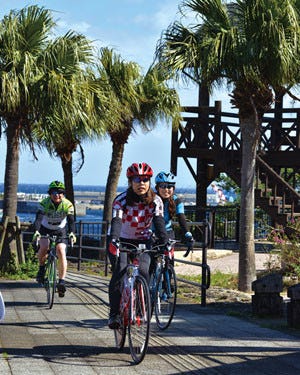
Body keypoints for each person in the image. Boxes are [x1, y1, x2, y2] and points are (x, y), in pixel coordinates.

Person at [107, 162, 169, 329]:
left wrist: (165, 242)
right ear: (130, 182)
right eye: (136, 179)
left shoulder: (156, 201)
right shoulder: (121, 200)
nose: (141, 183)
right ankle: (114, 314)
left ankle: (141, 309)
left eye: (145, 179)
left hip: (143, 239)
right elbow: (117, 221)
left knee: (143, 271)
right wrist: (114, 240)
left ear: (149, 182)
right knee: (120, 272)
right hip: (121, 238)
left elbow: (159, 221)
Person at [32, 180, 76, 297]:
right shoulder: (44, 203)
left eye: (60, 192)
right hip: (45, 229)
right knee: (44, 247)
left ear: (63, 194)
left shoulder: (68, 204)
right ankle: (41, 269)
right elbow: (38, 219)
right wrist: (36, 231)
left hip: (60, 230)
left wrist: (72, 233)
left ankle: (61, 282)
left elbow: (71, 221)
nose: (57, 194)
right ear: (50, 194)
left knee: (61, 251)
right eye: (54, 192)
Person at [154, 171, 194, 260]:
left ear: (173, 188)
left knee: (169, 260)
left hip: (168, 232)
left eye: (169, 186)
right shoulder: (152, 199)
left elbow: (181, 218)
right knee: (152, 262)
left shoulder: (177, 201)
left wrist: (187, 233)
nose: (166, 189)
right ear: (157, 187)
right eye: (162, 186)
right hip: (153, 233)